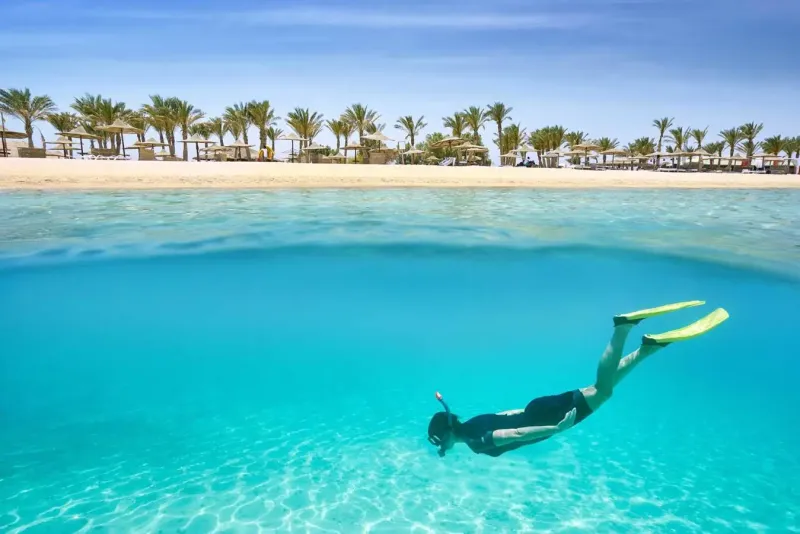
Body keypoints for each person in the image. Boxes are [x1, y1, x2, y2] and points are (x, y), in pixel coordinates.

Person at [427, 301, 729, 458]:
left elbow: (515, 434)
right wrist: (540, 417)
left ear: (444, 438)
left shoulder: (475, 443)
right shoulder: (472, 423)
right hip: (535, 409)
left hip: (546, 418)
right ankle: (648, 348)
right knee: (601, 389)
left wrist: (555, 428)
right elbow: (507, 415)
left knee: (602, 390)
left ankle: (623, 328)